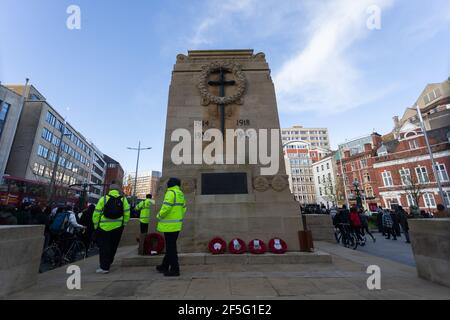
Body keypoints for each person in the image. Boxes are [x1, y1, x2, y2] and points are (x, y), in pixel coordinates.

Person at [93, 184, 130, 274]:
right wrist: (124, 224)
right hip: (118, 227)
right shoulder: (123, 199)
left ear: (110, 190)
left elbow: (96, 213)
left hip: (104, 227)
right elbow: (127, 213)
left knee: (104, 247)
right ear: (118, 190)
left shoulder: (104, 198)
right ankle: (109, 261)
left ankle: (104, 267)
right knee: (113, 246)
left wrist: (96, 225)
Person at [156, 178, 187, 277]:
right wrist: (178, 217)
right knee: (171, 246)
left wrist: (159, 216)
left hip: (169, 225)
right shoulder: (180, 194)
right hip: (177, 224)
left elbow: (166, 208)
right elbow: (184, 208)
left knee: (171, 248)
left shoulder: (170, 193)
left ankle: (175, 269)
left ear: (170, 184)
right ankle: (164, 266)